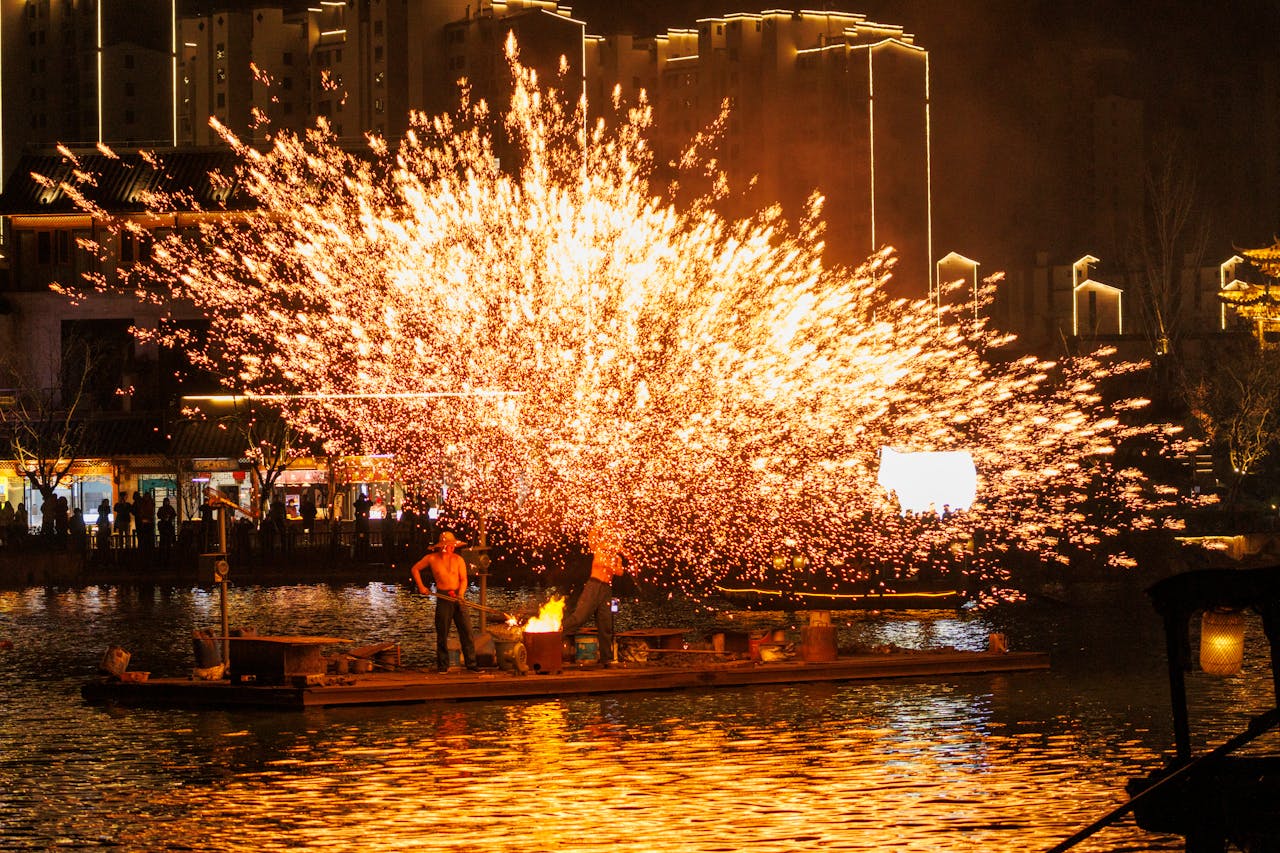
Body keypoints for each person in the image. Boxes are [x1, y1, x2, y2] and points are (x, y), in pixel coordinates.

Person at [561, 522, 631, 666]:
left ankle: (607, 658)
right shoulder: (599, 548)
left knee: (606, 625)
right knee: (579, 617)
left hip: (606, 590)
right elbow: (593, 537)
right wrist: (602, 523)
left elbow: (620, 572)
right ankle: (554, 636)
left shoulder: (616, 557)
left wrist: (618, 559)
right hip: (594, 586)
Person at [410, 531, 479, 673]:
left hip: (458, 596)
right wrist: (421, 587)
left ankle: (471, 664)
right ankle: (443, 665)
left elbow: (464, 579)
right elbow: (415, 569)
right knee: (442, 633)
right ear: (442, 547)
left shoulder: (458, 559)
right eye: (449, 545)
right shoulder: (431, 559)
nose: (452, 548)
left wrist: (461, 594)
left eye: (453, 545)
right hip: (443, 596)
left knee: (467, 631)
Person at [157, 496, 177, 563]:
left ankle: (167, 557)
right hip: (164, 525)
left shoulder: (170, 508)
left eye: (167, 501)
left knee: (168, 542)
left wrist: (169, 517)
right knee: (163, 541)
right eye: (165, 501)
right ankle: (162, 557)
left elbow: (174, 514)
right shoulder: (162, 508)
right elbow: (158, 515)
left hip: (168, 525)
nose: (166, 502)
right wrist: (164, 517)